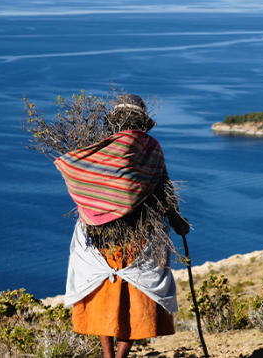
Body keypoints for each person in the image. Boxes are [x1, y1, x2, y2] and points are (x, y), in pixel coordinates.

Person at [55, 94, 189, 358]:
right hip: (140, 236)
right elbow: (164, 188)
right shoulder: (151, 147)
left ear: (115, 121)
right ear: (141, 121)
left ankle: (109, 356)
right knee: (134, 298)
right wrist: (176, 221)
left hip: (99, 237)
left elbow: (78, 174)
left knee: (104, 296)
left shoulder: (97, 149)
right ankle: (119, 357)